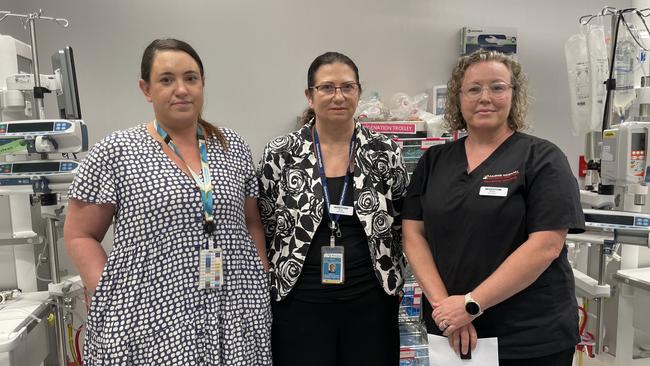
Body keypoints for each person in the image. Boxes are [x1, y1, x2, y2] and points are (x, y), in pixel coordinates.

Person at [63, 38, 271, 365]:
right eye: (166, 79)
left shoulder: (232, 146)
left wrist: (260, 276)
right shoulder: (116, 152)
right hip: (150, 315)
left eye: (191, 78)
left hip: (232, 310)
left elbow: (252, 222)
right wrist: (108, 294)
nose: (181, 89)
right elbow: (79, 234)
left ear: (202, 84)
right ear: (146, 89)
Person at [401, 49, 584, 366]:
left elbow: (546, 246)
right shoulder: (434, 161)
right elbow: (413, 234)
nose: (485, 97)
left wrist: (471, 305)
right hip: (451, 331)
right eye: (473, 89)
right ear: (459, 98)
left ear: (514, 94)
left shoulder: (542, 158)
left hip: (529, 335)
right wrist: (446, 307)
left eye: (497, 87)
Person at [258, 51, 409, 366]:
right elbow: (267, 219)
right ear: (309, 96)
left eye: (347, 87)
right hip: (300, 297)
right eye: (326, 87)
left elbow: (401, 220)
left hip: (371, 296)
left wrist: (395, 278)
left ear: (358, 92)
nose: (338, 96)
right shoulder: (281, 153)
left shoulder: (385, 151)